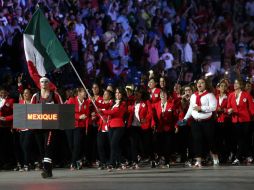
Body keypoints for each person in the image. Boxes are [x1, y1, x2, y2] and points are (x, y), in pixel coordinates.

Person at [181, 77, 219, 167]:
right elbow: (191, 108)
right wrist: (185, 118)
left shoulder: (210, 95)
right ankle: (198, 161)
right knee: (197, 140)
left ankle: (215, 157)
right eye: (198, 83)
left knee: (210, 140)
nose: (199, 84)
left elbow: (213, 107)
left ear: (205, 85)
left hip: (207, 122)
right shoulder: (193, 96)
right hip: (195, 122)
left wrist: (201, 108)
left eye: (202, 82)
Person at [30, 77, 63, 178]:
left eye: (46, 82)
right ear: (39, 84)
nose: (44, 83)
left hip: (51, 127)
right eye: (42, 82)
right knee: (42, 149)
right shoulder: (36, 96)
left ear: (49, 84)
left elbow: (62, 108)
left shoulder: (55, 95)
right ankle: (49, 171)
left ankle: (46, 169)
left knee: (48, 147)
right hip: (38, 127)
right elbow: (30, 111)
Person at [99, 87, 127, 171]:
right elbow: (104, 105)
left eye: (119, 93)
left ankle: (116, 162)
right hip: (111, 125)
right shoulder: (113, 102)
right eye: (116, 93)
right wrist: (95, 102)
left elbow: (115, 112)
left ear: (122, 94)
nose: (117, 94)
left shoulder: (123, 103)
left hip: (119, 126)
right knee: (113, 145)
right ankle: (116, 163)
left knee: (114, 144)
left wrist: (103, 111)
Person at [227, 79, 254, 165]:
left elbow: (251, 109)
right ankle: (249, 155)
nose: (235, 85)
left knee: (242, 139)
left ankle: (238, 157)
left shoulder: (247, 95)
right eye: (234, 83)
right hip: (235, 120)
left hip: (246, 120)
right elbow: (228, 107)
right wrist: (229, 110)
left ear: (241, 85)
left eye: (237, 83)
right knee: (241, 140)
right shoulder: (231, 95)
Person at [66, 87, 90, 170]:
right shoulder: (72, 100)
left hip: (80, 126)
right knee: (71, 145)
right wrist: (78, 116)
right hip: (70, 125)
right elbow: (68, 112)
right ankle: (77, 160)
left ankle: (73, 163)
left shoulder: (86, 102)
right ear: (79, 93)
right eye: (84, 91)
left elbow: (87, 116)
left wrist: (86, 128)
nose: (86, 93)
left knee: (77, 145)